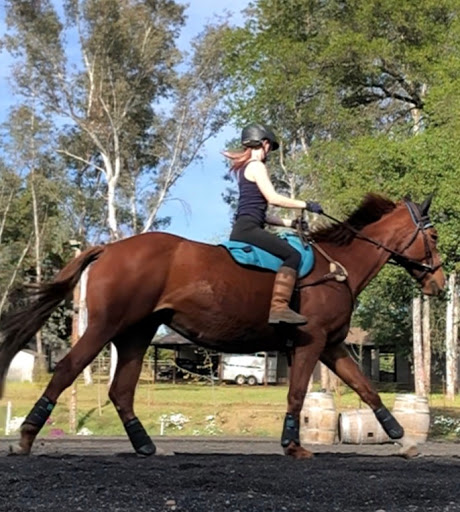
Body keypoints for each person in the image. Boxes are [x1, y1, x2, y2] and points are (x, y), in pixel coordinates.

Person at [223, 122, 323, 326]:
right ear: (265, 144)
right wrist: (305, 204)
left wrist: (291, 223)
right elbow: (273, 198)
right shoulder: (257, 166)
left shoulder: (245, 169)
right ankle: (279, 308)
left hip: (245, 227)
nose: (270, 151)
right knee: (292, 255)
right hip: (249, 230)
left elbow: (263, 216)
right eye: (270, 147)